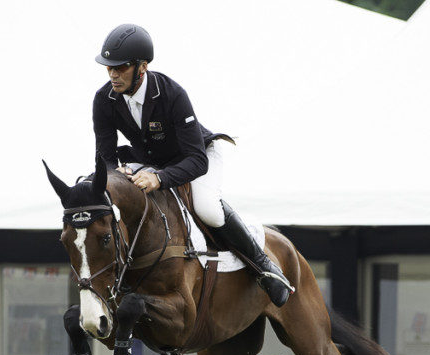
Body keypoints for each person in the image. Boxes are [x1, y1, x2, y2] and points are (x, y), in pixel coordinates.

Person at [93, 23, 292, 307]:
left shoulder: (172, 94)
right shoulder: (104, 99)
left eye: (121, 67)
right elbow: (104, 155)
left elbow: (196, 160)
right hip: (151, 160)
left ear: (142, 67)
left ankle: (264, 268)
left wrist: (159, 180)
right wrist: (116, 173)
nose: (113, 74)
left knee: (207, 209)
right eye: (109, 67)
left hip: (198, 156)